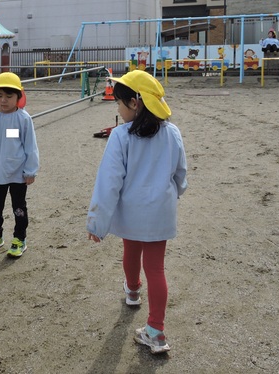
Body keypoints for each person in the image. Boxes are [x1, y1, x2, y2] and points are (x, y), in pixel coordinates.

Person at [86, 70, 187, 355]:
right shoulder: (172, 132)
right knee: (156, 268)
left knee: (130, 250)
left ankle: (132, 291)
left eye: (118, 103)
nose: (116, 108)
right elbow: (181, 172)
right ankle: (156, 329)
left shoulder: (121, 136)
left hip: (131, 211)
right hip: (160, 211)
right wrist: (175, 193)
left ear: (135, 103)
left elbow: (109, 181)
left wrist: (97, 223)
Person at [0, 72, 39, 258]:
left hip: (17, 173)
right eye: (0, 95)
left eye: (9, 96)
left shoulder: (23, 119)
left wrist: (30, 171)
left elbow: (30, 146)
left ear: (19, 96)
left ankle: (20, 238)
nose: (3, 100)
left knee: (18, 208)